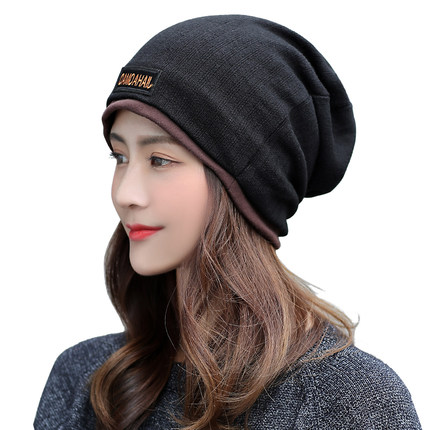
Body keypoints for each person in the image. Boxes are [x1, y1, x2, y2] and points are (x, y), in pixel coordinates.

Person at [34, 15, 421, 430]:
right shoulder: (86, 380)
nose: (125, 193)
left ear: (248, 183)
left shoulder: (350, 399)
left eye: (159, 160)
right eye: (120, 156)